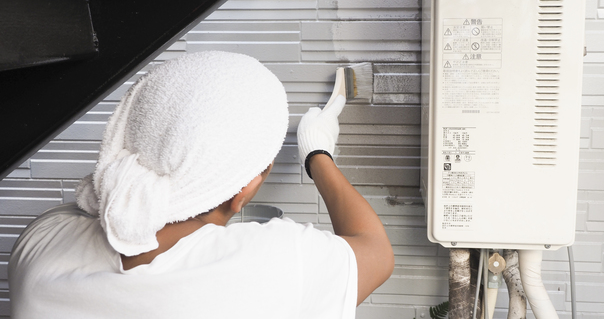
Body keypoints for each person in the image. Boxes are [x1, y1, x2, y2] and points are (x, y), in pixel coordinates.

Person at [9, 51, 393, 318]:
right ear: (244, 191)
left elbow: (108, 203)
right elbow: (376, 251)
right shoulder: (273, 265)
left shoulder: (41, 243)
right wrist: (317, 153)